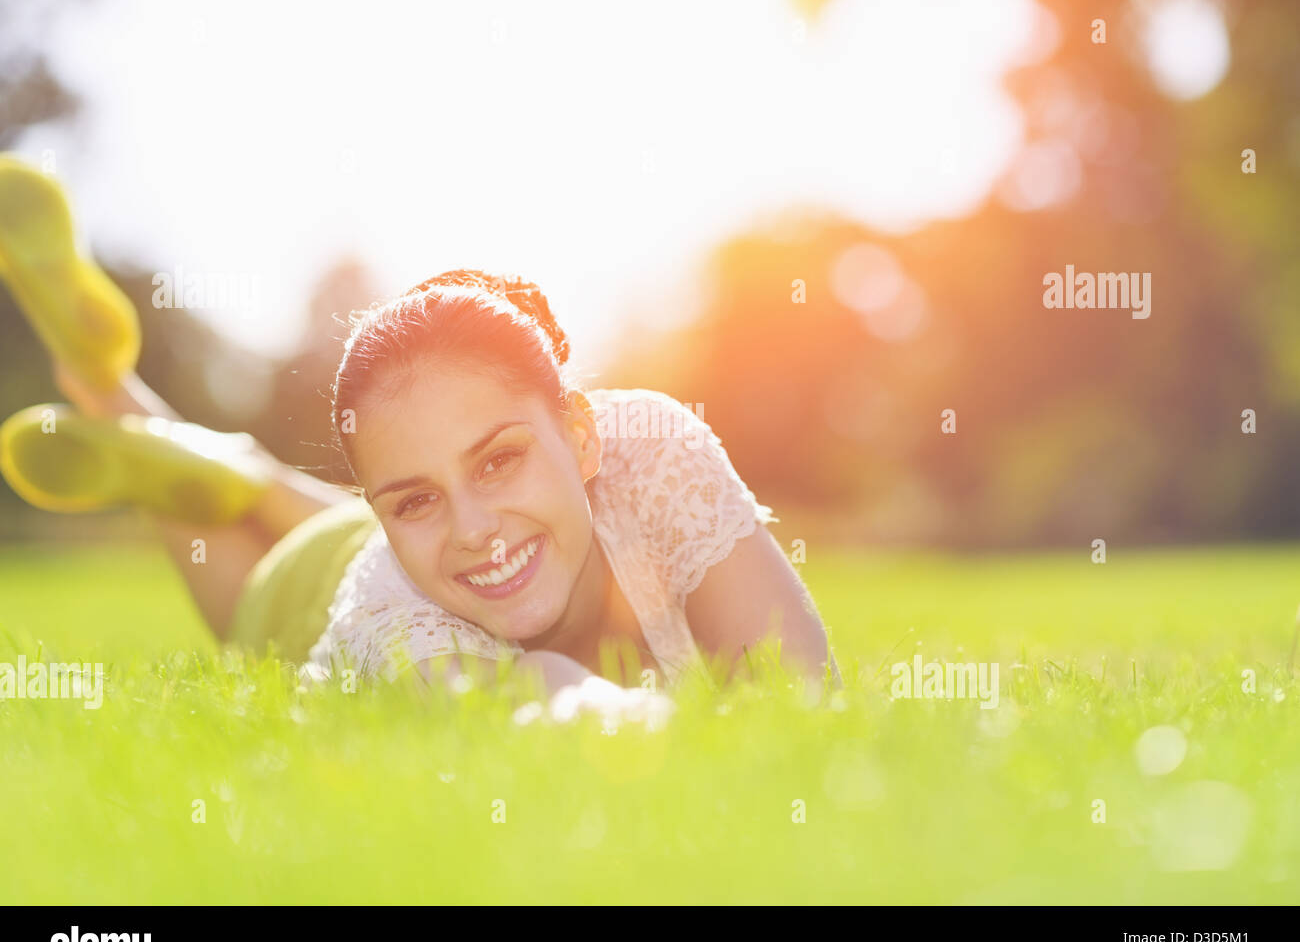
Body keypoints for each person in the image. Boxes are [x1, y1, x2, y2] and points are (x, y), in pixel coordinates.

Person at [0, 155, 839, 717]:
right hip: (322, 581)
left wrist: (420, 505)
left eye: (501, 458)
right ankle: (148, 444)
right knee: (238, 566)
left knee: (447, 527)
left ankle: (123, 397)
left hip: (385, 543)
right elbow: (557, 705)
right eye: (413, 499)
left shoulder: (652, 446)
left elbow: (804, 693)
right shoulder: (386, 627)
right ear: (381, 507)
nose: (474, 521)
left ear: (581, 434)